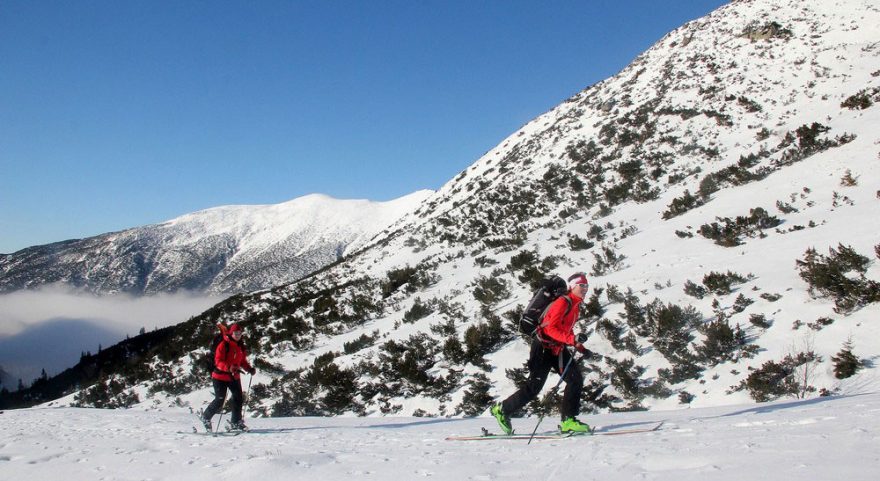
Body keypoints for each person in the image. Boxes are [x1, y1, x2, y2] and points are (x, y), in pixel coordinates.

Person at [491, 272, 592, 434]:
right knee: (534, 387)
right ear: (573, 286)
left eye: (586, 285)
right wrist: (572, 340)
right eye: (582, 285)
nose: (585, 289)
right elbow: (550, 329)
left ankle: (568, 421)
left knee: (575, 379)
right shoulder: (562, 302)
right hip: (543, 347)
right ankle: (502, 409)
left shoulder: (574, 306)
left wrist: (581, 348)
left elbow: (565, 329)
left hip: (557, 348)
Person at [201, 323, 256, 431]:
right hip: (220, 376)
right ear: (231, 333)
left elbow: (242, 361)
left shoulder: (240, 346)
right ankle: (206, 417)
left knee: (238, 398)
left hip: (233, 377)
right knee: (219, 400)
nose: (238, 335)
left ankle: (235, 422)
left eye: (239, 333)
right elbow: (218, 361)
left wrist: (249, 368)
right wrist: (228, 368)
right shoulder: (223, 345)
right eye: (235, 333)